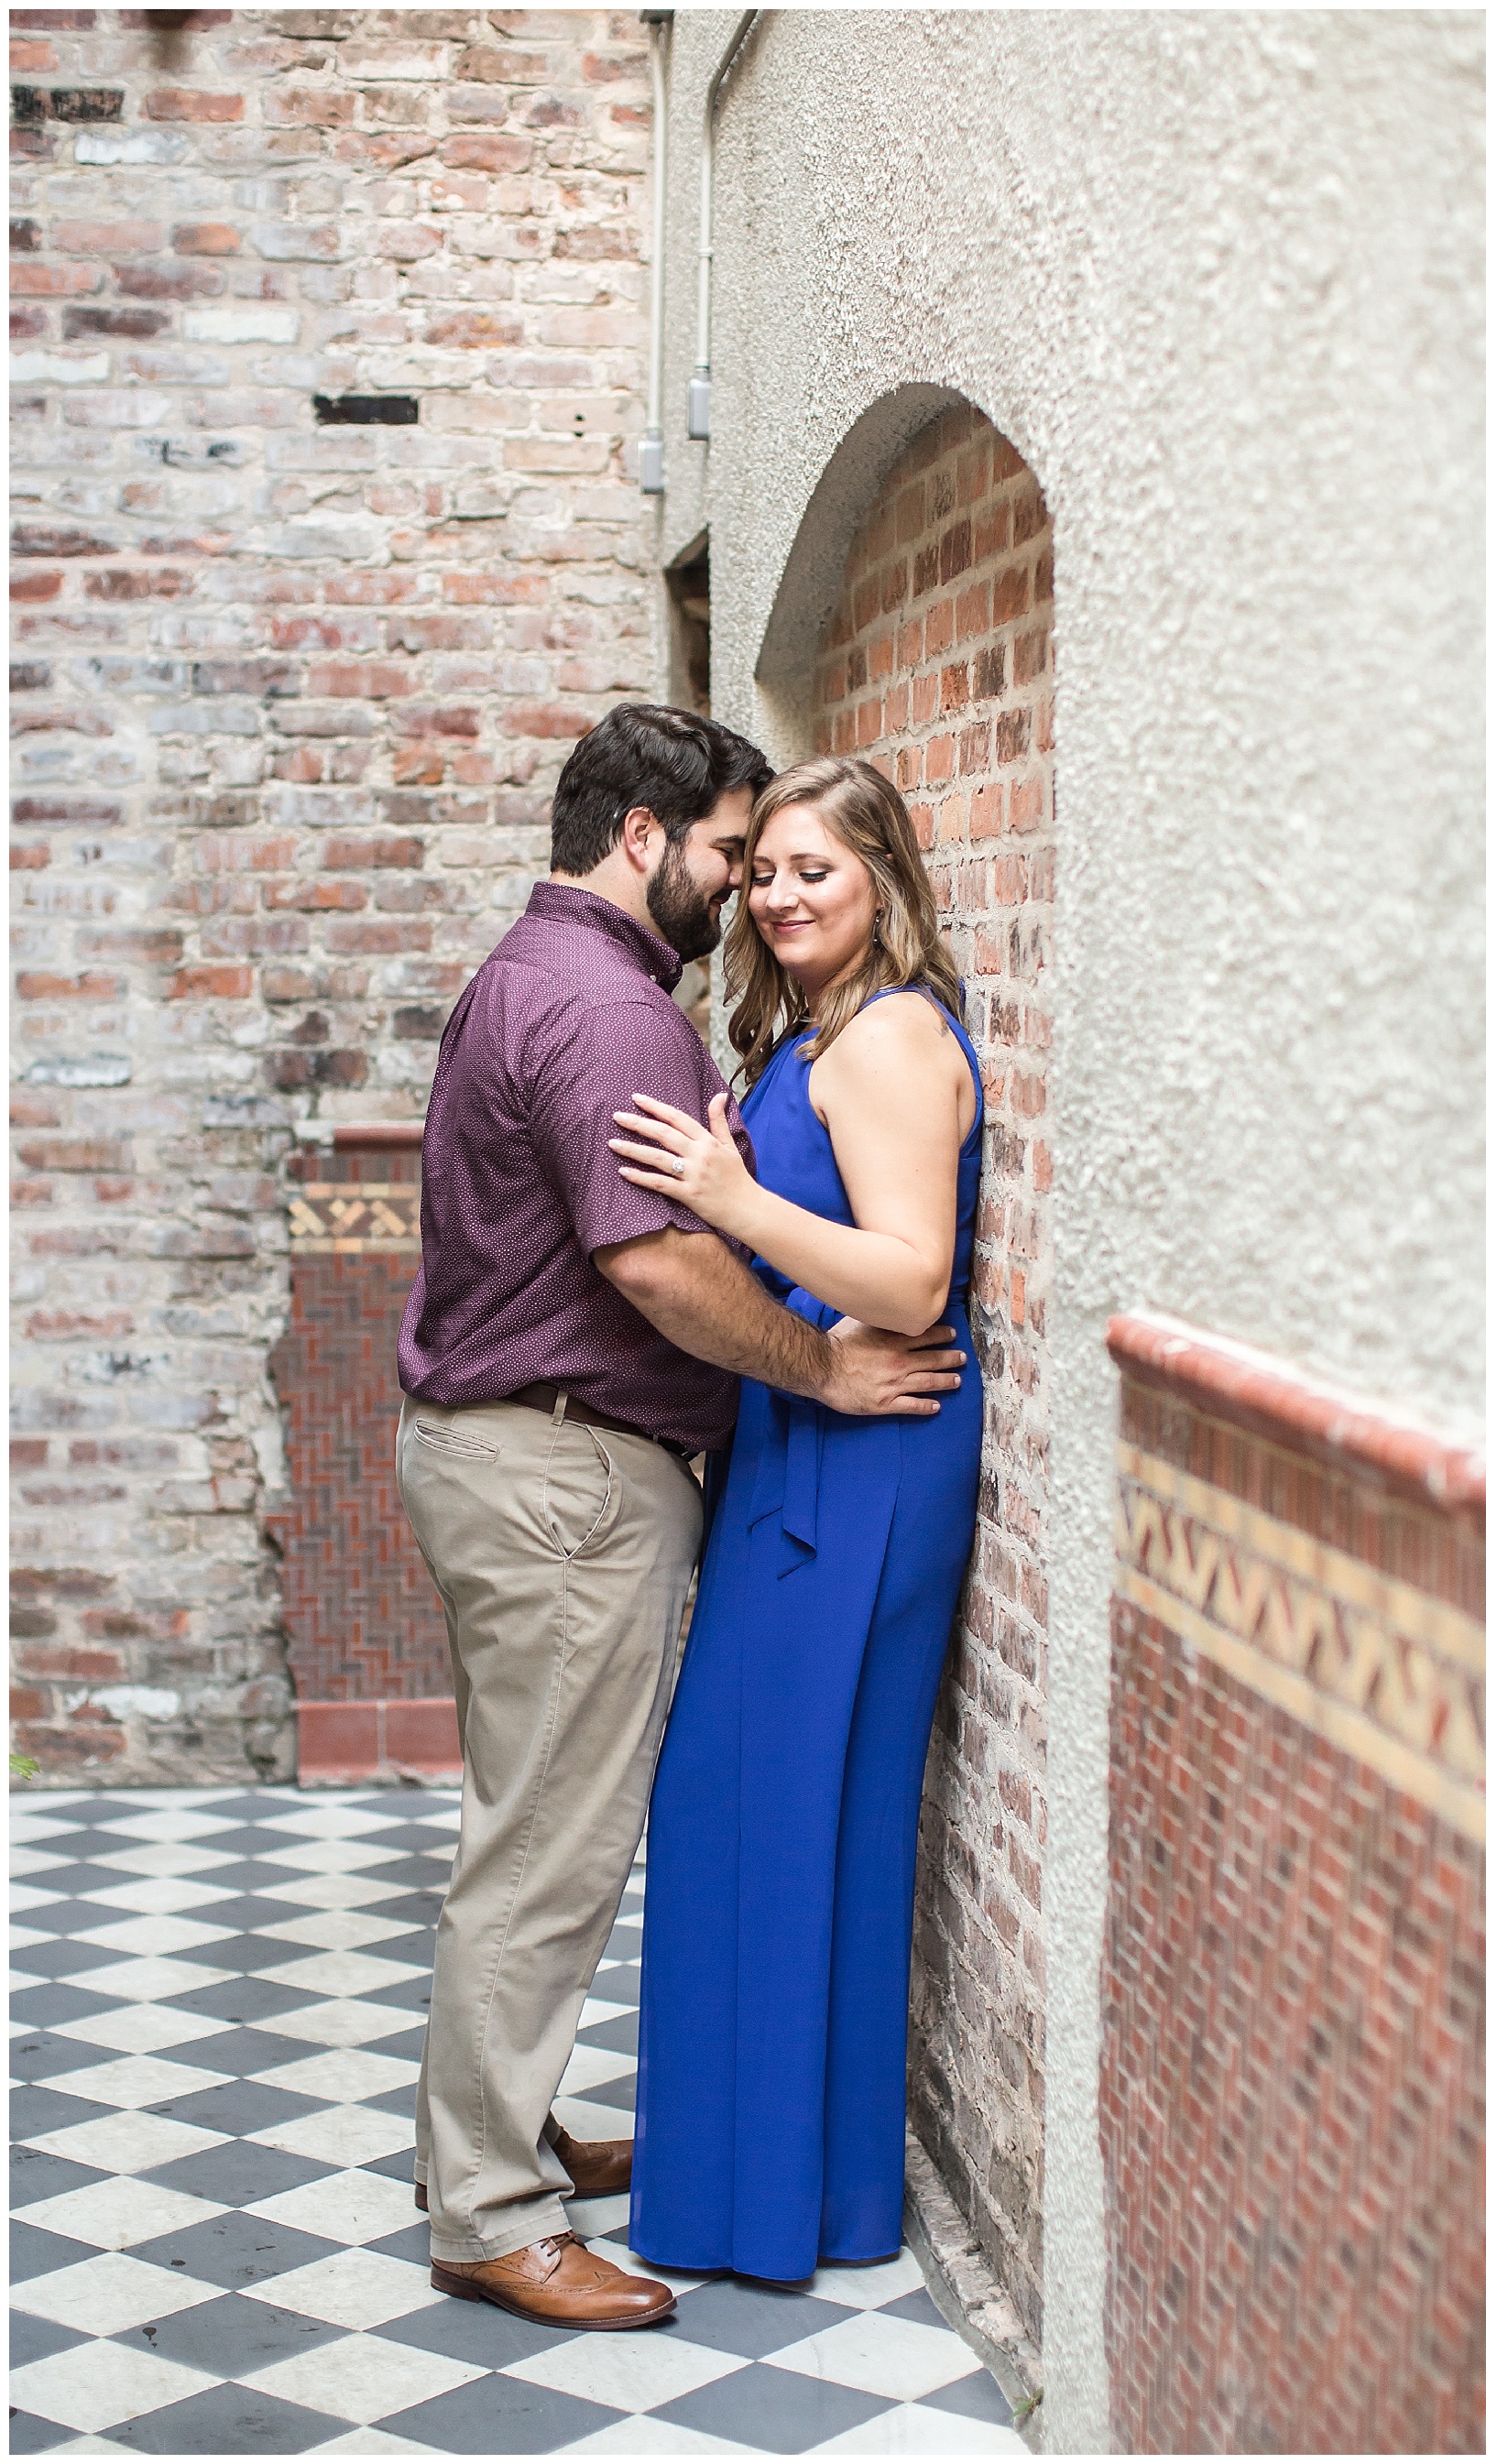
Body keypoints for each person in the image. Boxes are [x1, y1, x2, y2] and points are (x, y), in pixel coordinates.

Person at [395, 707, 967, 2331]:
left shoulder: (528, 969)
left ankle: (497, 2136)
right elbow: (652, 1259)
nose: (742, 888)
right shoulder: (610, 1008)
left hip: (504, 1454)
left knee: (531, 1823)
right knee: (548, 1851)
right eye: (732, 851)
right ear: (643, 835)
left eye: (789, 861)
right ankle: (490, 2206)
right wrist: (818, 1368)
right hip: (564, 1474)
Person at [613, 753, 986, 2283]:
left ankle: (772, 2200)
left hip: (864, 1448)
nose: (773, 896)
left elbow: (910, 1276)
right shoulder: (820, 1029)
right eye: (760, 871)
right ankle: (793, 2191)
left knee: (768, 1803)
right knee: (767, 1808)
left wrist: (725, 1191)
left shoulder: (891, 1039)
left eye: (812, 870)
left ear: (883, 880)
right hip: (806, 1431)